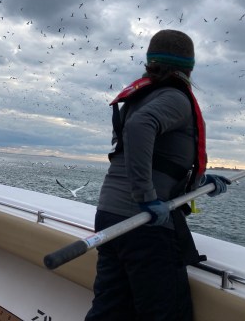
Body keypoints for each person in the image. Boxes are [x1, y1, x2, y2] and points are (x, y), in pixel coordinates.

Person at [85, 29, 231, 321]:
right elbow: (141, 128)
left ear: (150, 62)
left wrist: (200, 183)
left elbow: (160, 161)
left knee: (110, 309)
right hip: (144, 226)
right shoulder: (175, 98)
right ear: (189, 67)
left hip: (111, 215)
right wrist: (146, 198)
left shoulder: (142, 97)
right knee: (165, 314)